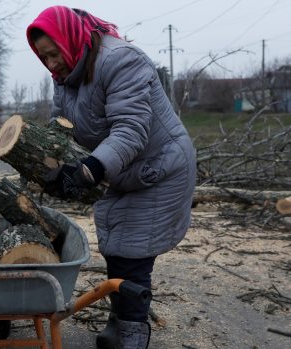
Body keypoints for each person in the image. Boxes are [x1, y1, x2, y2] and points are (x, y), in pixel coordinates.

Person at [27, 6, 196, 349]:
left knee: (133, 253)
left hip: (159, 169)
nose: (51, 63)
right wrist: (53, 164)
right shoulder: (65, 76)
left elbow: (131, 129)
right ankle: (120, 320)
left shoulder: (121, 60)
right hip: (121, 171)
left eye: (53, 53)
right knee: (116, 249)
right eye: (43, 57)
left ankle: (133, 335)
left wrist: (90, 169)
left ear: (68, 39)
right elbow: (63, 127)